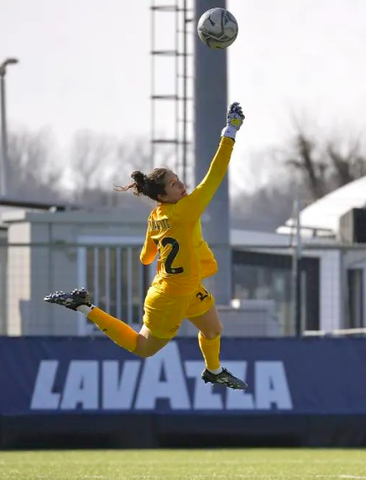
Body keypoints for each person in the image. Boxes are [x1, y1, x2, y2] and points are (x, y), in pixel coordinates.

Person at [44, 102, 247, 390]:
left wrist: (182, 246)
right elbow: (216, 173)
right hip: (169, 297)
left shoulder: (156, 216)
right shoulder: (186, 209)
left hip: (183, 287)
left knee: (213, 328)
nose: (182, 186)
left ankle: (214, 371)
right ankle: (84, 307)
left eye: (178, 180)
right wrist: (231, 131)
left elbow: (145, 257)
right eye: (175, 184)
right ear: (163, 195)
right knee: (143, 347)